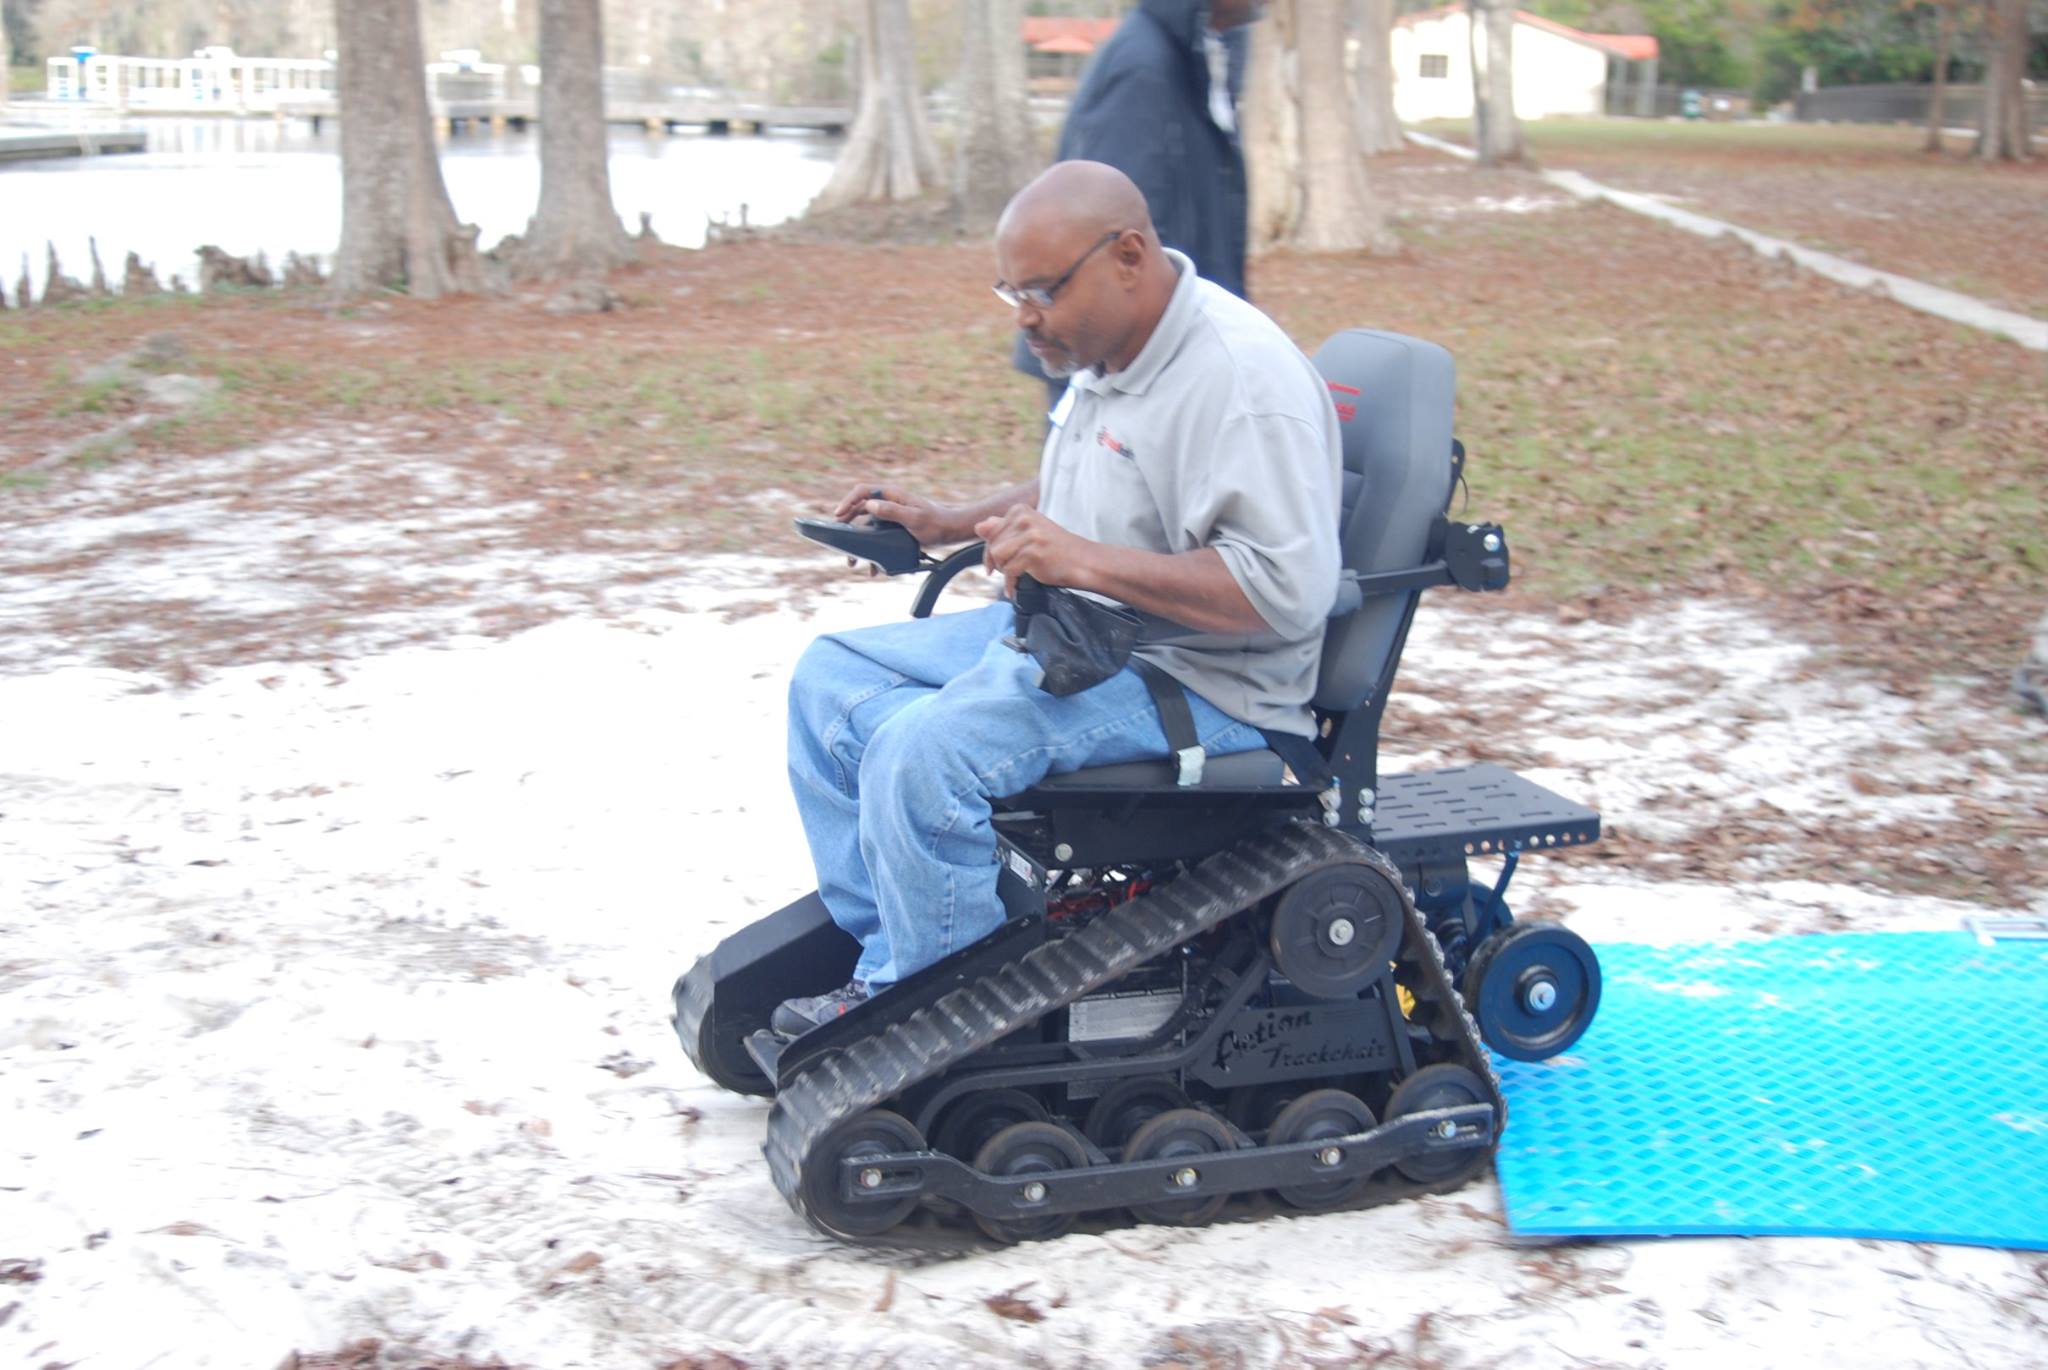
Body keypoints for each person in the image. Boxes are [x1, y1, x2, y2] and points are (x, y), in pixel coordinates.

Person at [772, 161, 1342, 1036]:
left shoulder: (1239, 384)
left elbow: (1284, 594)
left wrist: (1082, 561)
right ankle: (887, 958)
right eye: (1012, 293)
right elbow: (1082, 485)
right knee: (830, 682)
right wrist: (948, 519)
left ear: (1128, 255)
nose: (1025, 318)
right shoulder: (1113, 345)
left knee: (923, 754)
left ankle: (935, 1018)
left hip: (1207, 685)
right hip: (1086, 634)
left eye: (1041, 291)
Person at [1012, 0, 1261, 411]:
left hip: (1186, 360)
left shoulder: (1198, 58)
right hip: (1118, 370)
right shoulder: (1143, 69)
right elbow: (1098, 243)